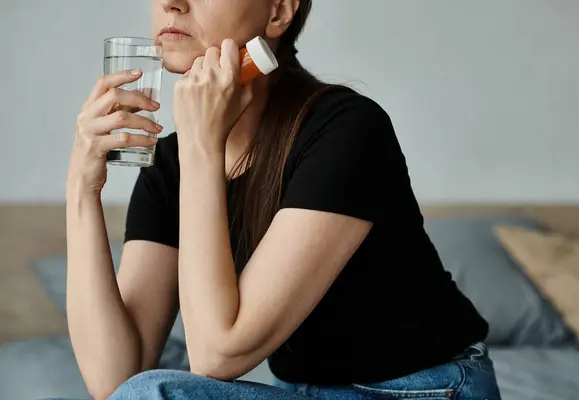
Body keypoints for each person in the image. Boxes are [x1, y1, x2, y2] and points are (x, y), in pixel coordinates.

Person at [65, 0, 502, 399]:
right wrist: (82, 191)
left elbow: (217, 356)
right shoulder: (171, 164)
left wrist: (201, 145)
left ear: (278, 12)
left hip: (423, 390)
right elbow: (114, 379)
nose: (170, 3)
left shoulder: (348, 130)